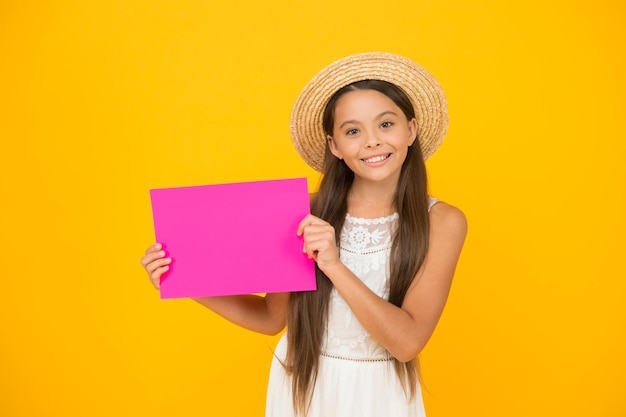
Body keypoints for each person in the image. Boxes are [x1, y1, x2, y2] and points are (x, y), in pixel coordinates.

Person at [141, 52, 467, 417]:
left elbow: (407, 343)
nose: (372, 142)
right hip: (303, 387)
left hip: (380, 394)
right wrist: (181, 280)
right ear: (334, 146)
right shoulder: (303, 212)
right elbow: (270, 318)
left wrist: (333, 264)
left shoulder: (442, 221)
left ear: (411, 129)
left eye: (386, 124)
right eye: (353, 131)